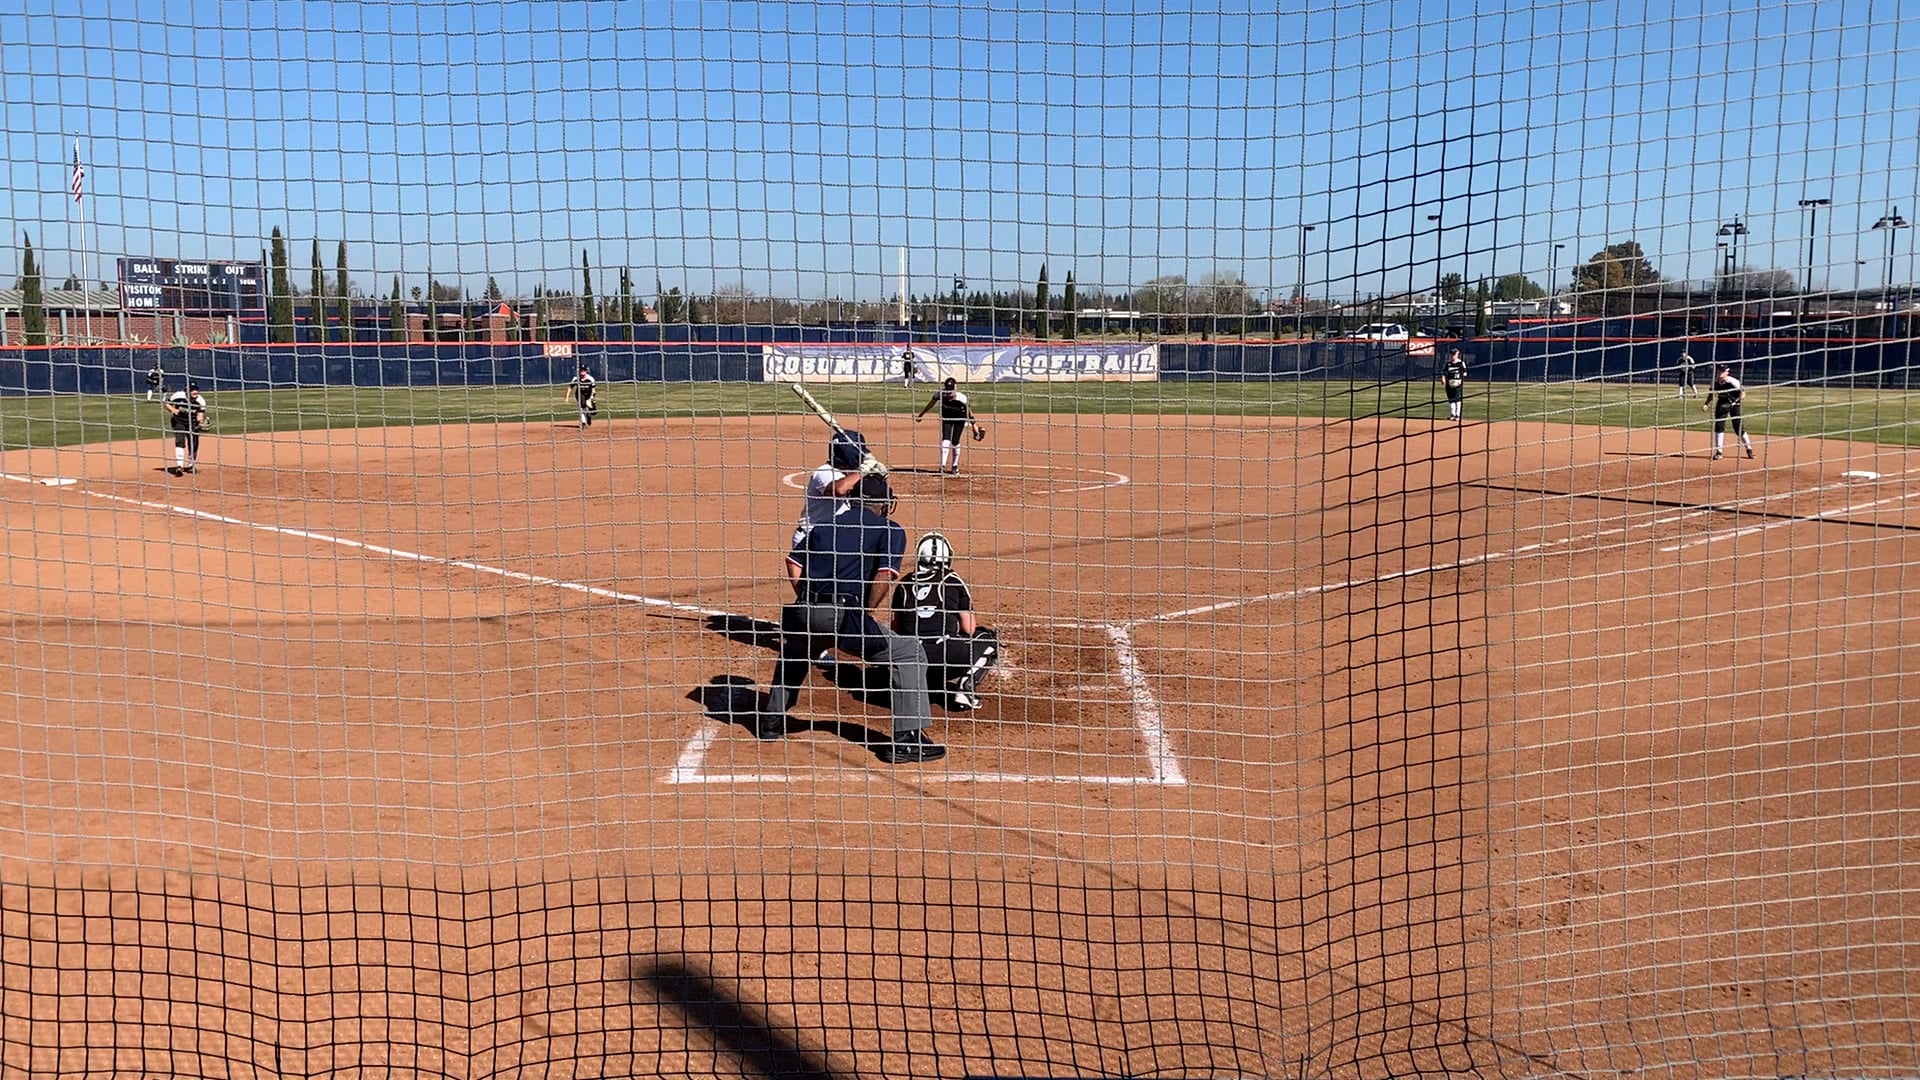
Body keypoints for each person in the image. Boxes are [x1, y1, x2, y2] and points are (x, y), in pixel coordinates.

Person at [762, 474, 945, 764]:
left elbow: (793, 563)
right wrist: (866, 611)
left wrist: (809, 599)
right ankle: (906, 741)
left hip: (803, 612)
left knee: (796, 649)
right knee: (909, 652)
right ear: (883, 504)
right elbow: (884, 575)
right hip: (845, 616)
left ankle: (771, 721)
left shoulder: (824, 526)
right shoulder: (889, 529)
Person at [891, 532, 999, 711]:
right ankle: (965, 689)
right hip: (946, 657)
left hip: (912, 660)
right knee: (986, 638)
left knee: (900, 643)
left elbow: (896, 629)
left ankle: (915, 685)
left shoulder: (903, 584)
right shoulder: (952, 580)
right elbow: (969, 628)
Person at [791, 429, 884, 551]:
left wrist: (878, 475)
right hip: (811, 538)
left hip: (836, 538)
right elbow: (839, 489)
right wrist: (864, 469)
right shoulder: (825, 471)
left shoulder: (853, 473)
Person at [915, 376, 982, 475]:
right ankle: (942, 466)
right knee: (945, 439)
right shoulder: (940, 394)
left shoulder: (962, 398)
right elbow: (931, 404)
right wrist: (921, 414)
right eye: (947, 392)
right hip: (947, 417)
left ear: (955, 388)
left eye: (951, 392)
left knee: (955, 440)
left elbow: (969, 412)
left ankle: (954, 466)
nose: (949, 394)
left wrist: (974, 424)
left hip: (959, 418)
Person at [1704, 365, 1756, 461]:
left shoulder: (1732, 381)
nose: (1720, 373)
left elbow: (1743, 393)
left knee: (1738, 428)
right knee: (1719, 426)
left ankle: (1749, 449)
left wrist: (1735, 402)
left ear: (1727, 373)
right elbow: (1711, 393)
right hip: (1722, 404)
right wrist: (1706, 403)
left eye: (1722, 371)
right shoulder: (1715, 382)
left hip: (1735, 404)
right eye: (1719, 371)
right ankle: (1719, 452)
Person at [163, 381, 209, 476]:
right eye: (192, 390)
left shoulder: (200, 401)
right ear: (187, 391)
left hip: (192, 423)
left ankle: (191, 465)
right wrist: (173, 410)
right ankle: (179, 466)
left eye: (196, 389)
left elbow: (200, 414)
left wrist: (200, 423)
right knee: (180, 441)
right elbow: (166, 403)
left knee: (194, 443)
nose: (195, 392)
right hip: (178, 421)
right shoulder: (178, 396)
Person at [1439, 349, 1467, 422]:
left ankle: (1457, 415)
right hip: (1449, 383)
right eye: (1452, 354)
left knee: (1457, 399)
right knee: (1451, 399)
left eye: (1454, 354)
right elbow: (1444, 372)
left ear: (1457, 355)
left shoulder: (1461, 363)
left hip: (1458, 383)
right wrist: (1443, 379)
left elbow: (1465, 373)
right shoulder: (1448, 363)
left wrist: (1459, 378)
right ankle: (1452, 414)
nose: (1453, 356)